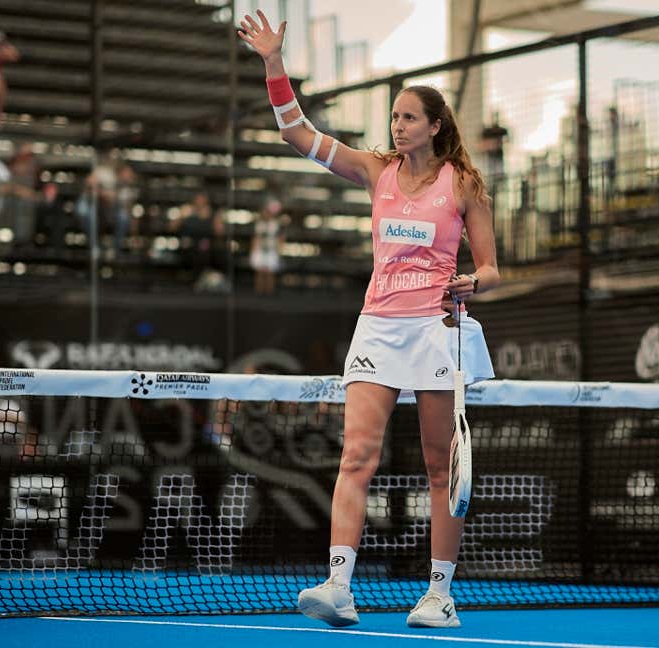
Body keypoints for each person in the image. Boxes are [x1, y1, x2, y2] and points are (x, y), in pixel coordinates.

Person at [238, 11, 498, 629]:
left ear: (435, 126)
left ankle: (439, 595)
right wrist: (275, 62)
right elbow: (296, 133)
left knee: (441, 467)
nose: (397, 125)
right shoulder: (374, 170)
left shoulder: (464, 186)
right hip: (378, 326)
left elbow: (491, 269)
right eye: (394, 116)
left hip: (436, 330)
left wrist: (471, 283)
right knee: (356, 455)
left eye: (409, 117)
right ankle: (338, 585)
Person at [250, 197, 288, 294]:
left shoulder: (277, 224)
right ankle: (259, 291)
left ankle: (269, 292)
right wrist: (253, 249)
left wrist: (280, 248)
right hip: (260, 249)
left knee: (270, 272)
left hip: (272, 249)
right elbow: (256, 237)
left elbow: (281, 237)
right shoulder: (259, 224)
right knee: (260, 271)